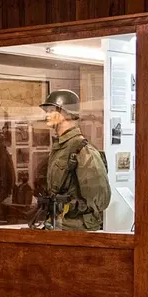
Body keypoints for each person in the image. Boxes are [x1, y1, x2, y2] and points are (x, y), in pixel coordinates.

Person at [40, 89, 110, 231]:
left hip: (76, 229)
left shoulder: (82, 150)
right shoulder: (61, 148)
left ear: (65, 113)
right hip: (58, 224)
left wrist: (75, 206)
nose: (47, 115)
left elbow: (101, 199)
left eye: (51, 110)